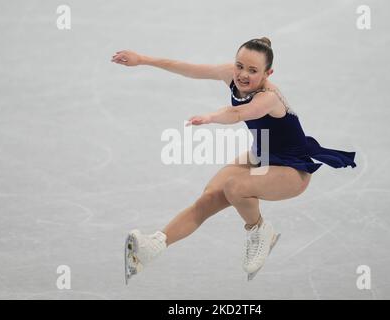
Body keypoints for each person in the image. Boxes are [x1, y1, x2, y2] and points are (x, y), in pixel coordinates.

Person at [112, 37, 357, 283]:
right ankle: (153, 246)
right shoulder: (231, 73)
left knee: (235, 188)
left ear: (267, 73)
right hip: (262, 154)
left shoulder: (269, 97)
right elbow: (189, 69)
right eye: (240, 66)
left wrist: (210, 117)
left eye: (253, 70)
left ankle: (260, 230)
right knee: (209, 197)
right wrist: (143, 59)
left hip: (293, 169)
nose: (242, 74)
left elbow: (238, 112)